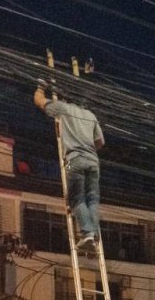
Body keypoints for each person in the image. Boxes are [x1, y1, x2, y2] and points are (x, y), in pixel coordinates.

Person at [34, 83, 105, 251]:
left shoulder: (63, 109)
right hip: (93, 162)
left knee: (76, 199)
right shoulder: (90, 115)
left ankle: (87, 233)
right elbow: (100, 142)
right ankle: (93, 236)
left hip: (75, 159)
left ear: (66, 98)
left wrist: (40, 87)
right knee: (92, 200)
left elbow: (39, 101)